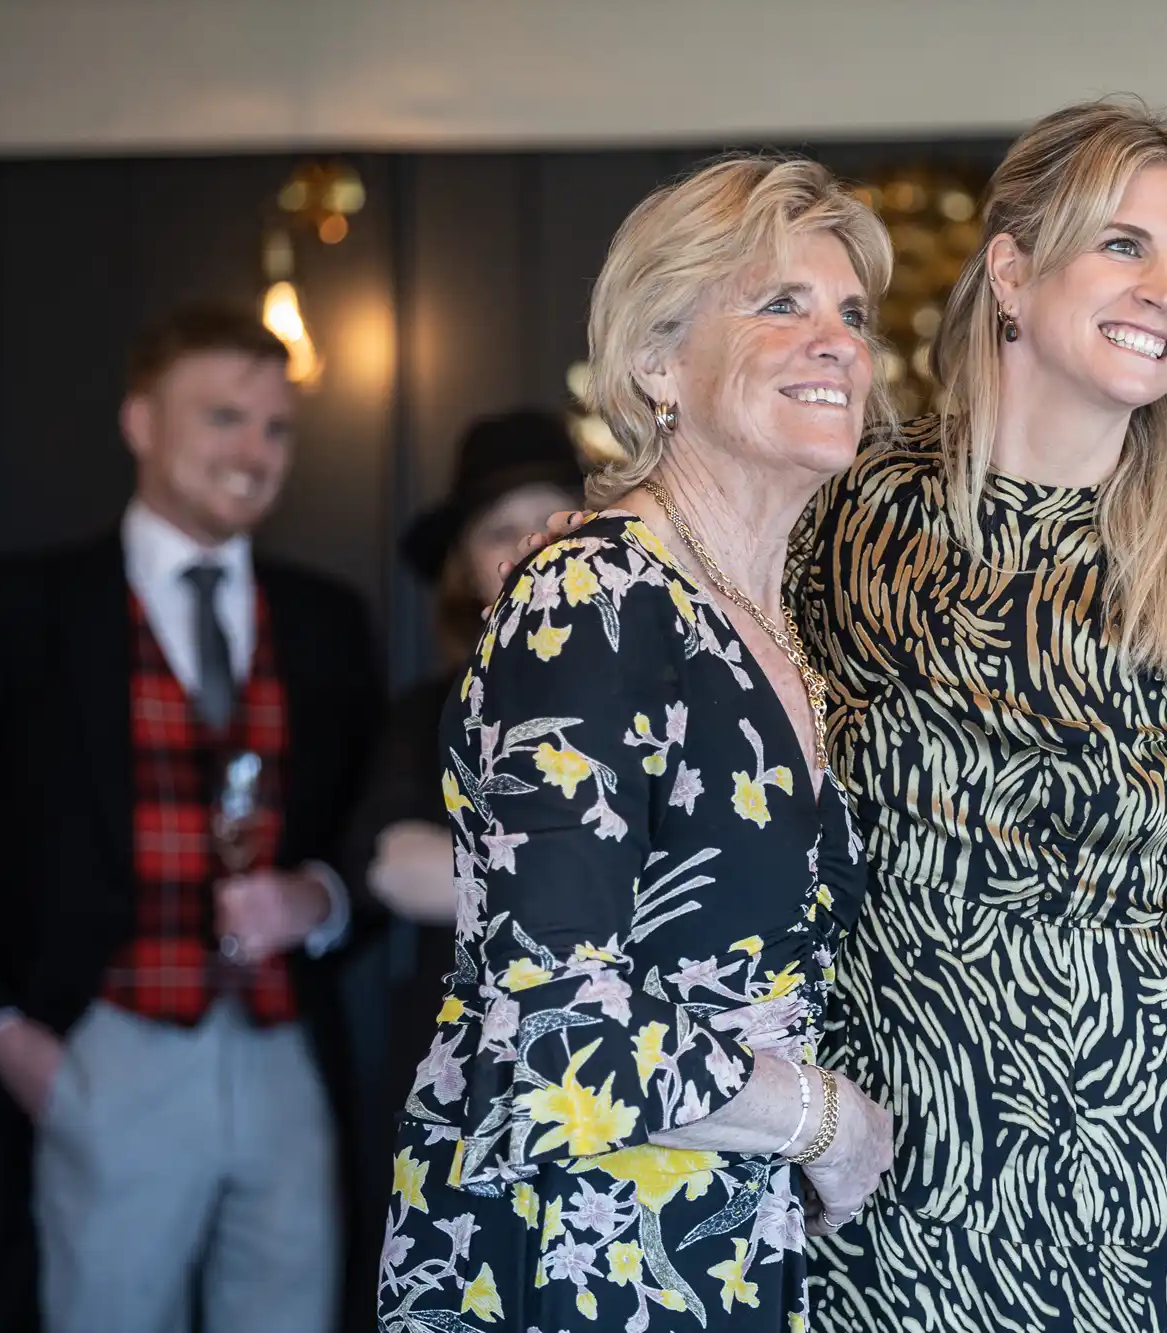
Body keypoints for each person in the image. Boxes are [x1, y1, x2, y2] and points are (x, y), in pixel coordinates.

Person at [523, 98, 1167, 1333]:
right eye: (1123, 244)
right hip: (861, 1170)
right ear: (1010, 267)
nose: (1163, 287)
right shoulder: (841, 507)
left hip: (1119, 1188)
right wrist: (591, 548)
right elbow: (669, 602)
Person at [374, 156, 896, 1332]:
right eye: (780, 303)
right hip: (572, 1248)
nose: (837, 343)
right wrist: (827, 1120)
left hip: (715, 1235)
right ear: (656, 361)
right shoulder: (588, 595)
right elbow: (559, 1024)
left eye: (851, 315)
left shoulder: (769, 625)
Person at [0, 301, 383, 1333]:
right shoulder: (19, 606)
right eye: (221, 418)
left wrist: (316, 896)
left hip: (285, 1057)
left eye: (275, 428)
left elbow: (370, 842)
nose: (253, 452)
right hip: (103, 1048)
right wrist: (11, 1042)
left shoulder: (328, 619)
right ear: (140, 423)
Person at [343, 409, 584, 1246]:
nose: (530, 548)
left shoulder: (662, 696)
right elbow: (396, 867)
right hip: (466, 1068)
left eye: (558, 523)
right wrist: (592, 888)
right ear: (465, 570)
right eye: (500, 531)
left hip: (631, 1078)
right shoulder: (433, 710)